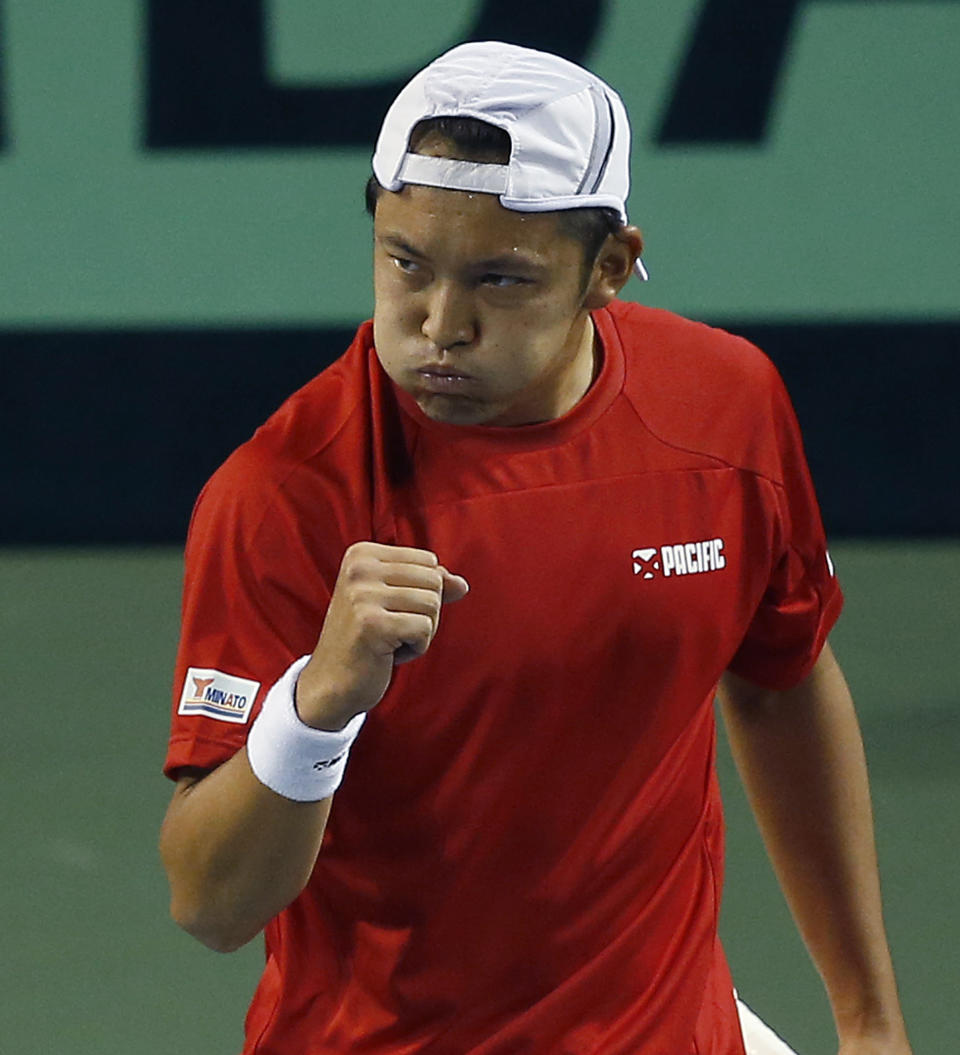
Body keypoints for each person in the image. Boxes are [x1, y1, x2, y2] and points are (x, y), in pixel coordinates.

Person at [159, 41, 912, 1055]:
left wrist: (868, 1020)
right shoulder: (284, 496)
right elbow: (210, 901)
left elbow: (779, 679)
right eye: (405, 263)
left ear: (608, 268)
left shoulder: (724, 405)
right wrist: (314, 705)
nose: (438, 323)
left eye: (500, 280)